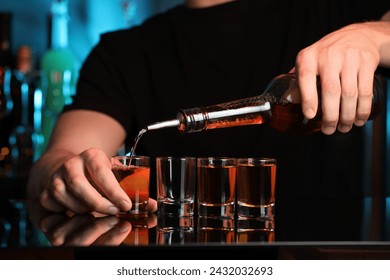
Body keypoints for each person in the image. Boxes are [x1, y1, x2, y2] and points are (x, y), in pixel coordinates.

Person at [28, 0, 390, 215]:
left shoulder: (334, 11)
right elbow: (60, 159)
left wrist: (372, 36)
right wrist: (66, 175)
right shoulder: (123, 53)